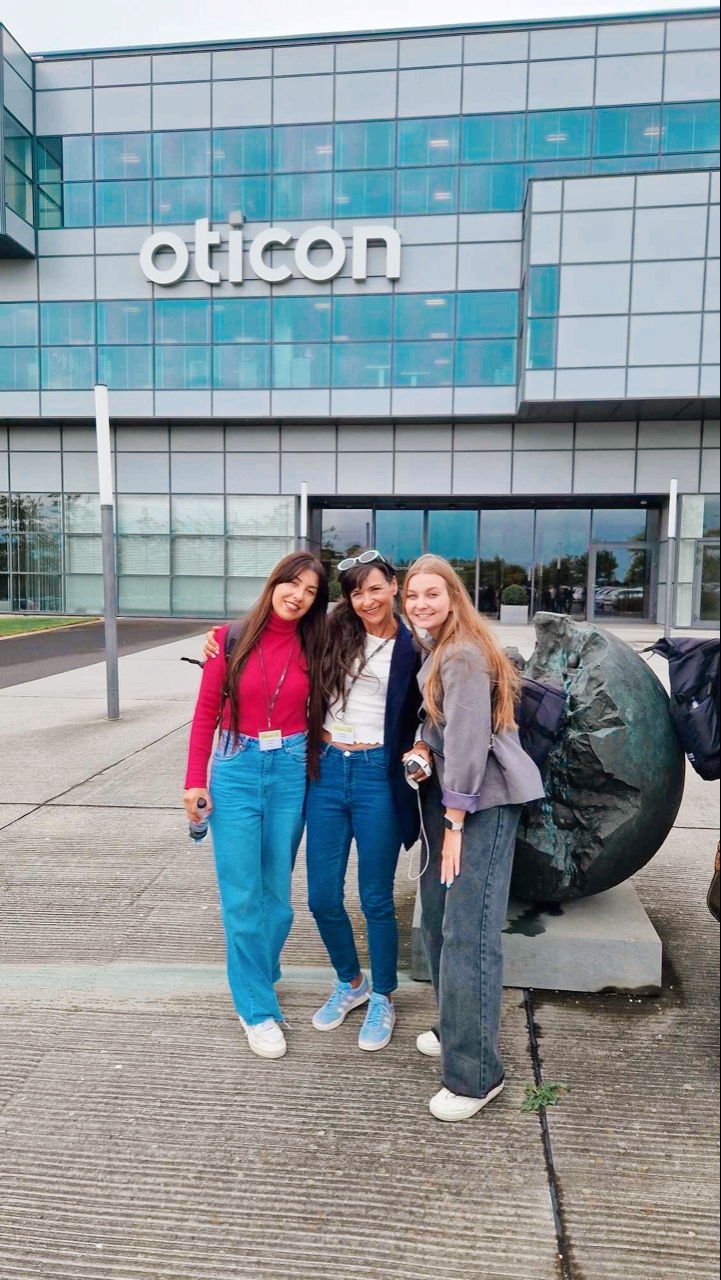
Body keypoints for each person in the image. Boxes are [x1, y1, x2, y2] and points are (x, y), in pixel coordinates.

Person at [402, 554, 545, 1122]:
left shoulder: (462, 653)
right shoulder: (440, 646)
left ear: (453, 597)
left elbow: (466, 740)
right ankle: (455, 1023)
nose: (420, 604)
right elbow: (440, 725)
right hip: (452, 798)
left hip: (478, 803)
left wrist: (455, 822)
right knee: (439, 921)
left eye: (431, 594)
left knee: (469, 933)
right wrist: (421, 747)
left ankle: (476, 1074)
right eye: (412, 595)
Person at [184, 552, 328, 1061]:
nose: (299, 596)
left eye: (311, 591)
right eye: (293, 584)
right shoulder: (229, 639)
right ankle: (256, 1009)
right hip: (236, 767)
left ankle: (258, 971)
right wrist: (194, 781)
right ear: (275, 583)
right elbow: (205, 711)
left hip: (291, 768)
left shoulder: (318, 642)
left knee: (277, 898)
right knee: (243, 896)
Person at [305, 551, 422, 1051]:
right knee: (321, 897)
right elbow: (276, 629)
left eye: (375, 588)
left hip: (379, 774)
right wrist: (222, 640)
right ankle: (351, 982)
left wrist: (421, 747)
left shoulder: (416, 646)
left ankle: (383, 996)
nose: (367, 600)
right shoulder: (334, 633)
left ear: (394, 586)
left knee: (375, 898)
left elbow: (432, 711)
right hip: (328, 770)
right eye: (356, 592)